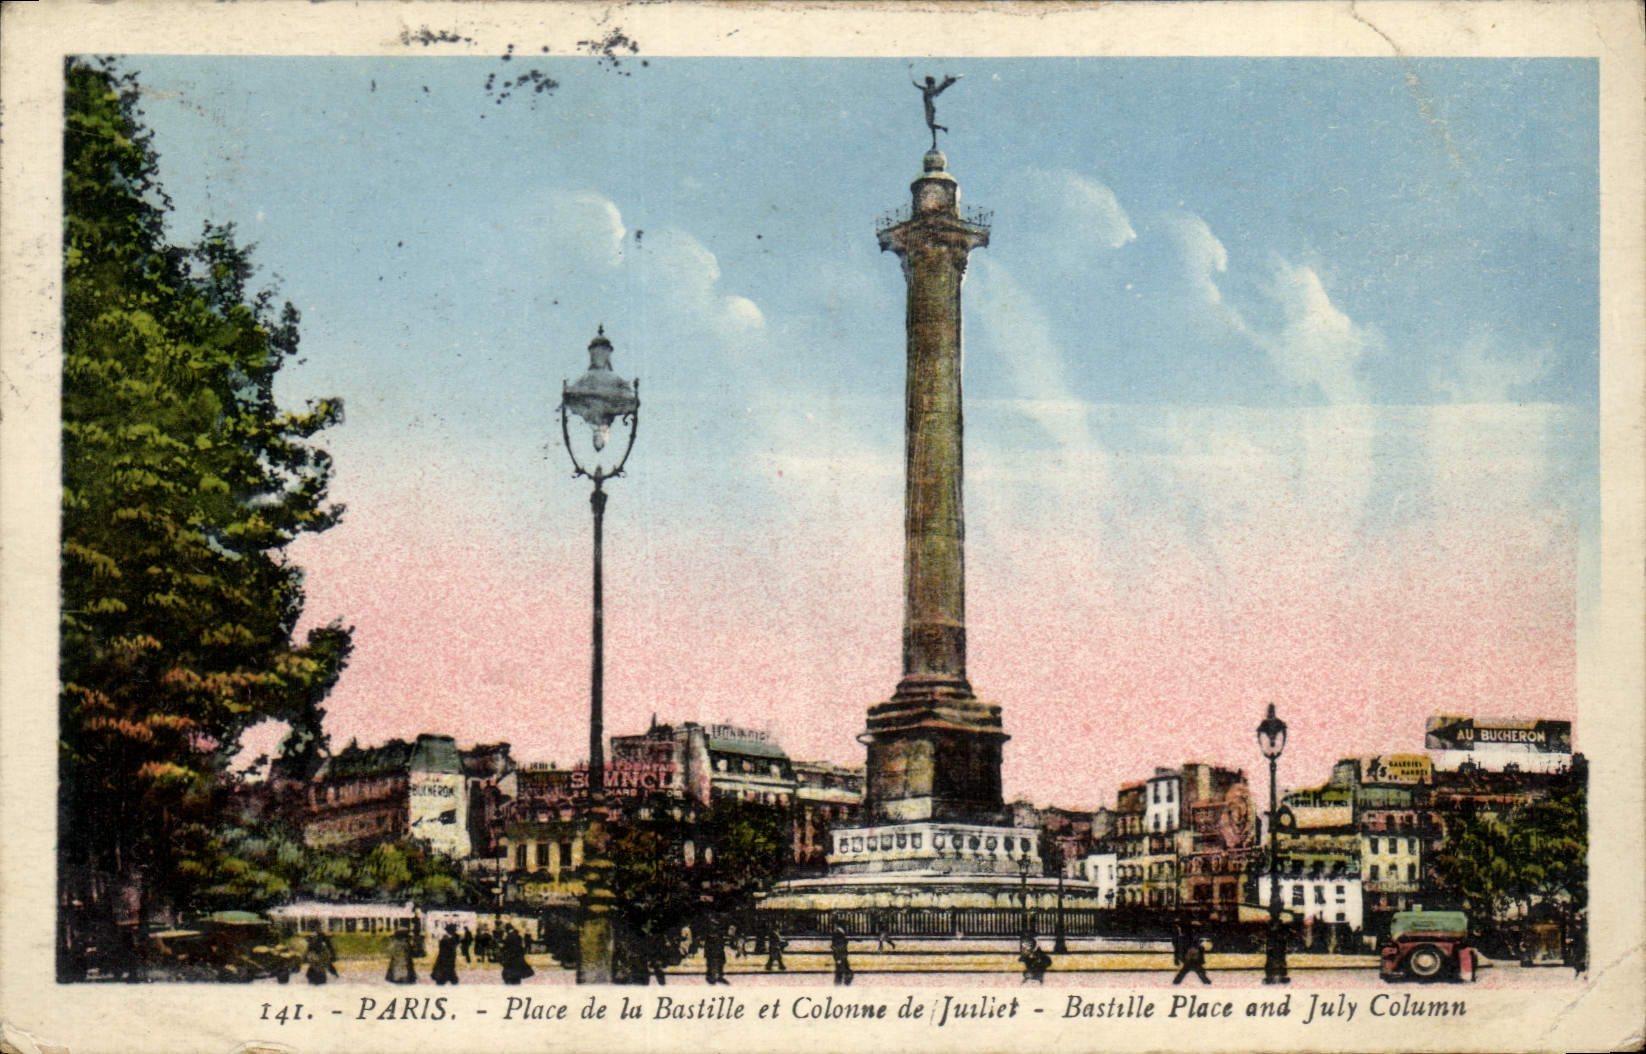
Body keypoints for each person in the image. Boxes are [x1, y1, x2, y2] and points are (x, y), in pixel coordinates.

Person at [701, 919, 729, 985]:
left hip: (719, 951)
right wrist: (707, 953)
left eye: (716, 925)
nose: (715, 927)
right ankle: (711, 978)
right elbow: (707, 945)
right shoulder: (709, 935)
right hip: (712, 952)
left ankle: (719, 976)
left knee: (720, 963)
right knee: (711, 965)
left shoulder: (719, 933)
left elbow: (721, 943)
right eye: (714, 925)